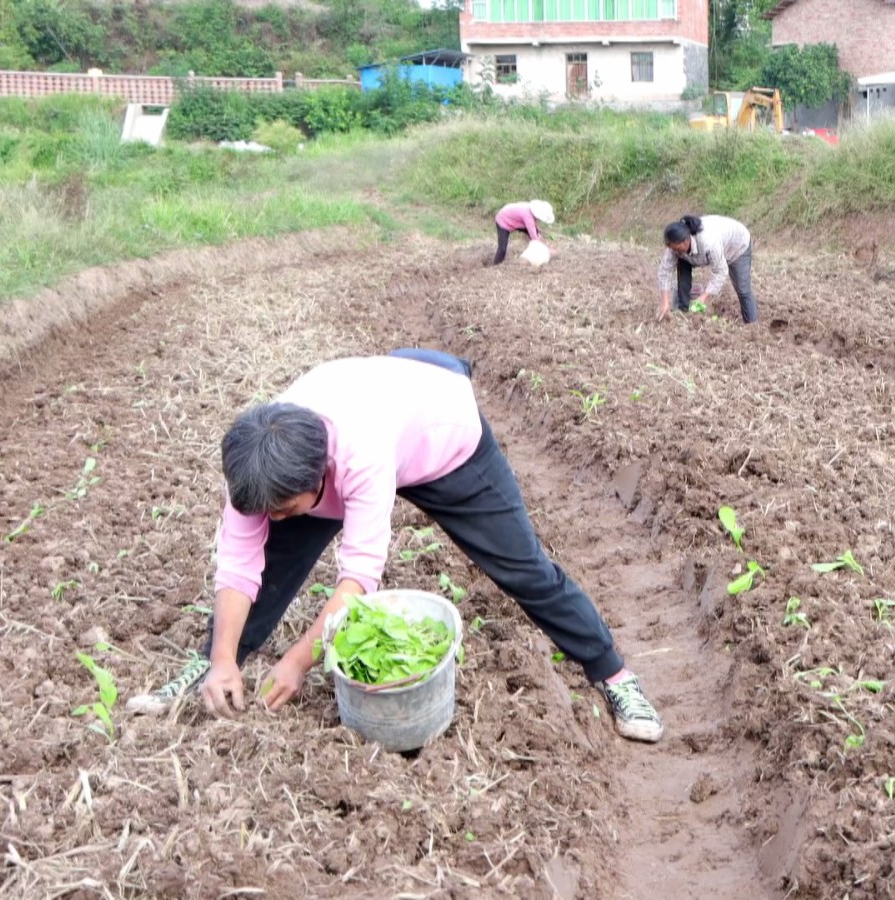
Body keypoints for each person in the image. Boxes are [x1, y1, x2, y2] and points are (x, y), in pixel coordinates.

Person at [128, 349, 663, 743]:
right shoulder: (256, 468)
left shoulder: (362, 453)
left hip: (442, 432)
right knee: (266, 573)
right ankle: (212, 669)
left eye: (284, 510)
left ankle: (615, 674)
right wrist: (225, 655)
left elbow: (358, 582)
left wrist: (296, 661)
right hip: (372, 398)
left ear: (323, 479)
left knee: (523, 568)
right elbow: (239, 564)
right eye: (263, 509)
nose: (271, 519)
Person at [657, 214, 758, 324]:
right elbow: (665, 271)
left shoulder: (708, 243)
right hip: (705, 248)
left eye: (676, 249)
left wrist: (704, 297)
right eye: (672, 249)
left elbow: (720, 271)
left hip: (737, 245)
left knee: (743, 289)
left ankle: (751, 324)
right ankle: (683, 310)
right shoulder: (675, 246)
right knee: (681, 261)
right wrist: (665, 301)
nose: (674, 251)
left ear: (686, 241)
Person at [491, 199, 555, 266]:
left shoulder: (531, 211)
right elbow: (534, 236)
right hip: (503, 221)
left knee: (536, 232)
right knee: (502, 248)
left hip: (515, 219)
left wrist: (538, 234)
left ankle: (535, 250)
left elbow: (534, 228)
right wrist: (546, 249)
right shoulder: (528, 217)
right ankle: (496, 265)